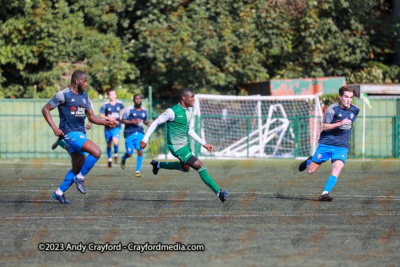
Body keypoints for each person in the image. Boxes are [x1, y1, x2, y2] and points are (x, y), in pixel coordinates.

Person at [139, 88, 228, 202]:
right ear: (183, 98)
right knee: (200, 166)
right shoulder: (171, 111)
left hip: (185, 145)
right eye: (191, 97)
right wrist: (145, 139)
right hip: (176, 147)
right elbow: (156, 122)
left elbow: (190, 130)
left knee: (185, 168)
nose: (193, 99)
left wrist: (203, 143)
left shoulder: (190, 112)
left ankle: (157, 165)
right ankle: (219, 193)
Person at [42, 70, 118, 204]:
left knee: (77, 168)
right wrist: (54, 127)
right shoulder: (63, 95)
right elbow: (45, 109)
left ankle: (59, 192)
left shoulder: (85, 97)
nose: (86, 84)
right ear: (77, 81)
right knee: (96, 151)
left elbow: (92, 117)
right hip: (70, 134)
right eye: (85, 81)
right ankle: (80, 178)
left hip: (80, 134)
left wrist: (107, 122)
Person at [298, 86, 360, 201]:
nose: (348, 100)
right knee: (310, 171)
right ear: (340, 96)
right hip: (326, 144)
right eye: (346, 97)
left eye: (351, 97)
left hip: (341, 147)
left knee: (337, 169)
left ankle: (324, 193)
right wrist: (340, 123)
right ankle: (309, 161)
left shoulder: (355, 110)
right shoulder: (332, 109)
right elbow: (325, 126)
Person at [120, 94, 150, 177]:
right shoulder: (129, 110)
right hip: (129, 133)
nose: (138, 100)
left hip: (140, 133)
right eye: (136, 99)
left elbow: (145, 120)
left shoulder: (144, 110)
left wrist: (148, 123)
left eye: (139, 99)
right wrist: (134, 122)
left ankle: (137, 171)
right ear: (134, 100)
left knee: (140, 151)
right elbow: (123, 120)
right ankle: (124, 158)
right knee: (129, 153)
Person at [99, 89, 125, 167]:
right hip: (108, 127)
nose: (112, 96)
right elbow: (101, 115)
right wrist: (109, 118)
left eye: (114, 94)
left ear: (116, 95)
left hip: (117, 126)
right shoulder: (105, 104)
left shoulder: (120, 103)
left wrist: (121, 115)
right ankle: (110, 159)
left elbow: (123, 109)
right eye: (110, 94)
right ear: (108, 96)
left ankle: (116, 155)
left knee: (115, 142)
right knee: (109, 144)